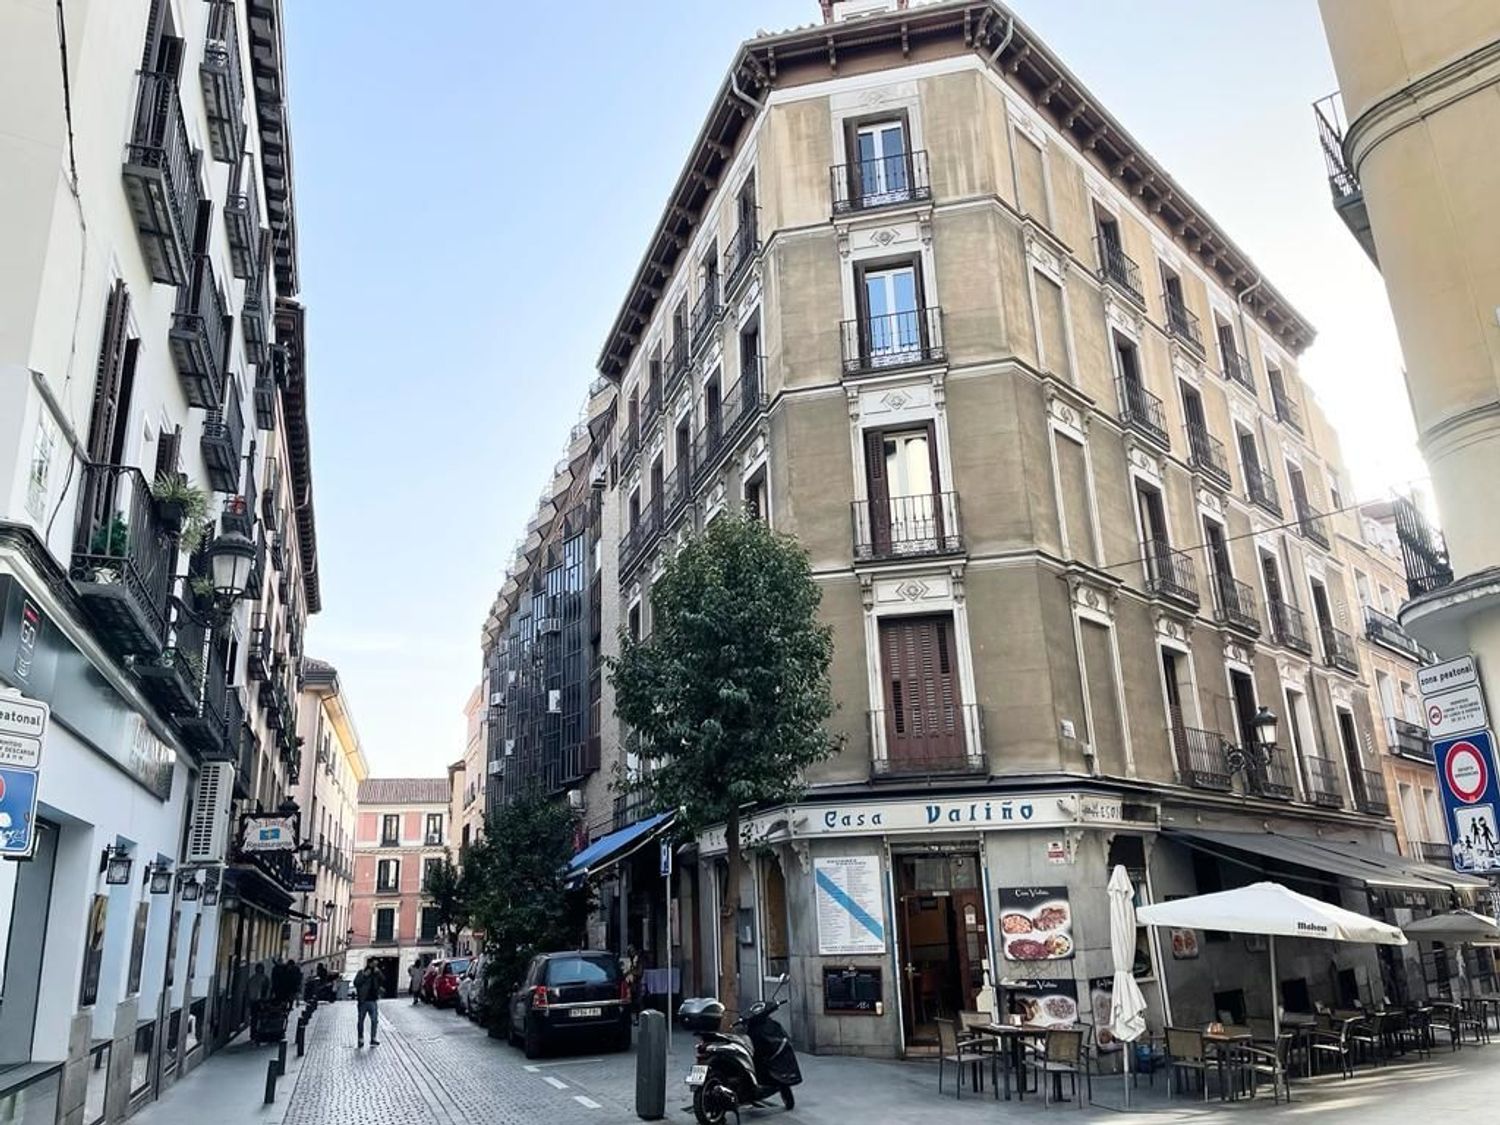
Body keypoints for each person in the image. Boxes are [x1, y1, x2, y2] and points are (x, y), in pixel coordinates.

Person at [353, 964, 381, 1047]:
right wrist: (364, 976)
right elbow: (356, 983)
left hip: (373, 1000)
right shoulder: (361, 973)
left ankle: (373, 1038)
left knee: (374, 1020)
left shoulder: (375, 975)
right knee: (361, 1020)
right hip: (363, 1001)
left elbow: (383, 980)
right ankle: (360, 1038)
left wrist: (379, 973)